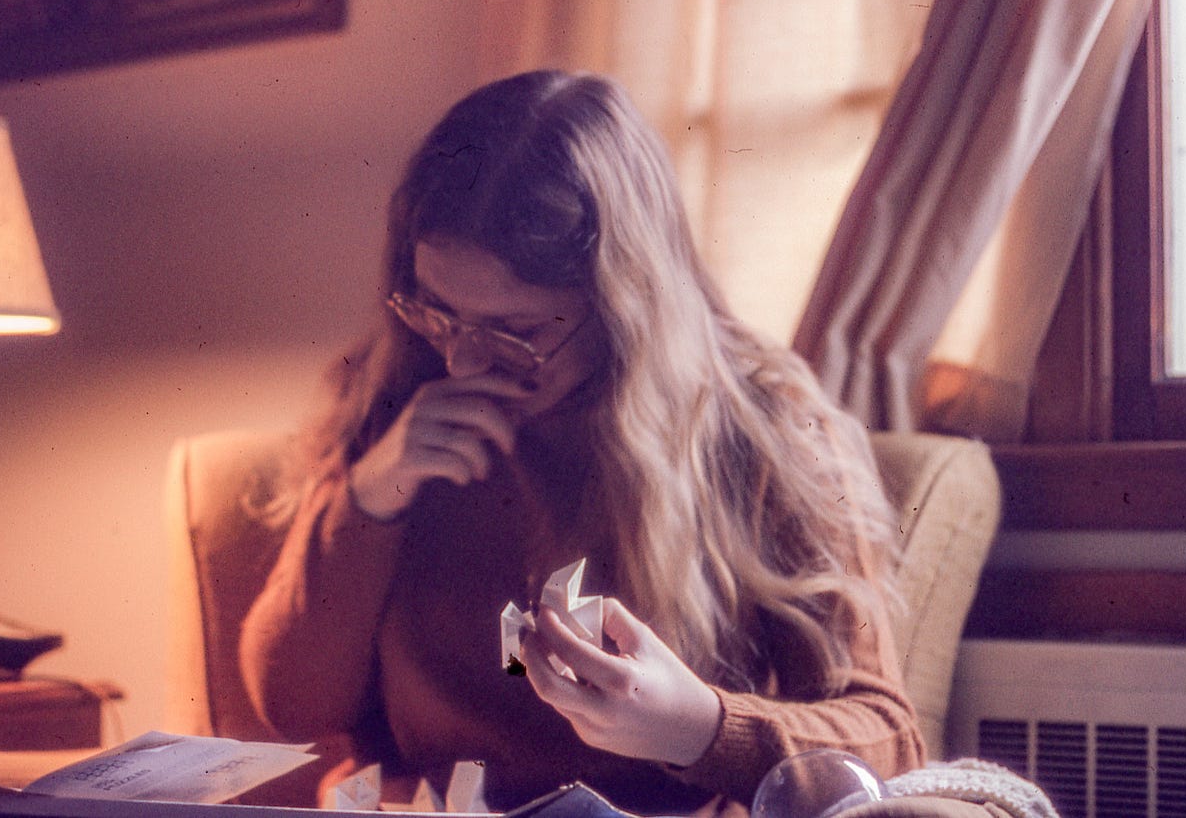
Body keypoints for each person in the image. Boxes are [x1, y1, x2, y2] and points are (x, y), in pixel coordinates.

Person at [239, 70, 925, 814]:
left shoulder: (768, 427)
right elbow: (290, 707)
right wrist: (367, 501)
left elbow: (888, 740)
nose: (463, 362)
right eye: (438, 312)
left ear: (627, 306)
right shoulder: (393, 396)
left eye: (517, 331)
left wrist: (698, 728)